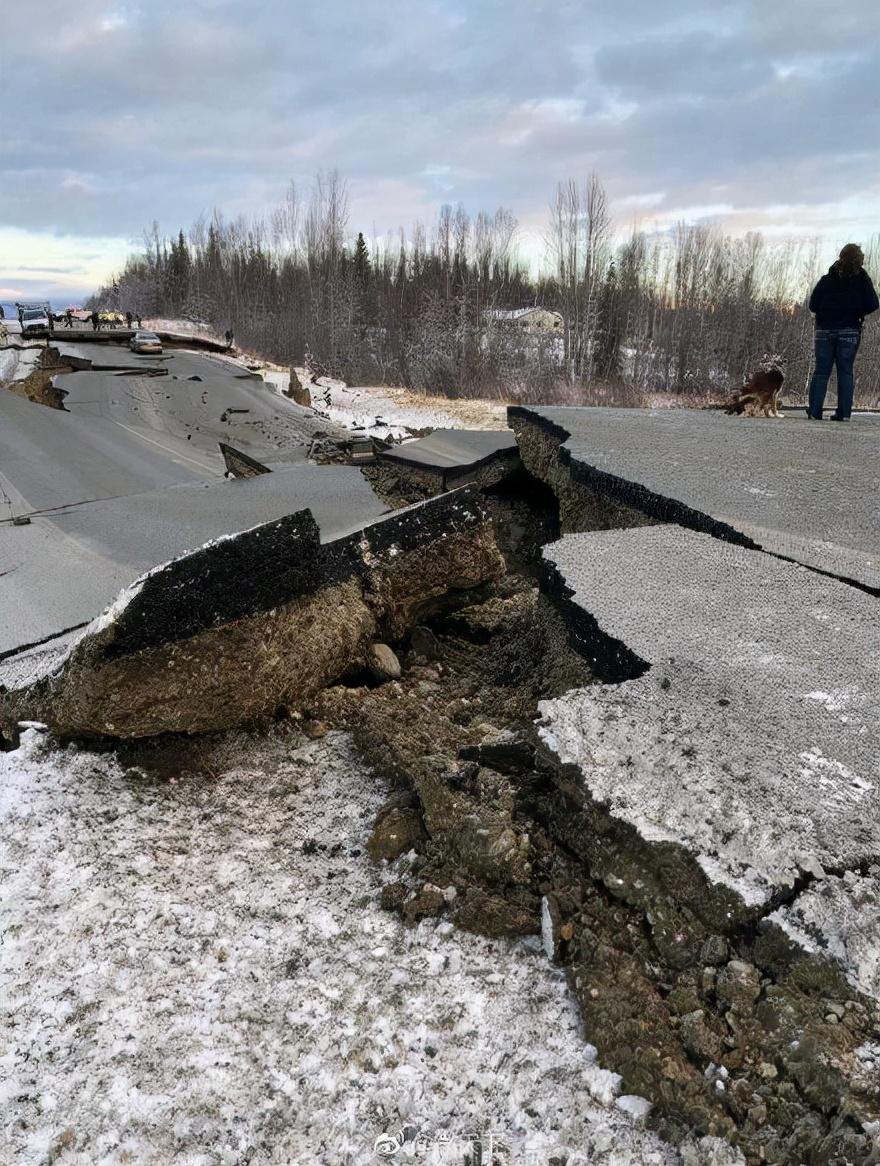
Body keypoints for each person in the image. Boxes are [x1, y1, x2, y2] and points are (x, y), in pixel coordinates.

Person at [806, 244, 878, 421]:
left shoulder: (827, 279)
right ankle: (844, 413)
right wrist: (857, 312)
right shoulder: (862, 279)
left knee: (821, 371)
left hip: (824, 330)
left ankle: (815, 411)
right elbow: (874, 303)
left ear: (840, 257)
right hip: (850, 330)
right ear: (859, 260)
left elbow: (813, 304)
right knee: (845, 372)